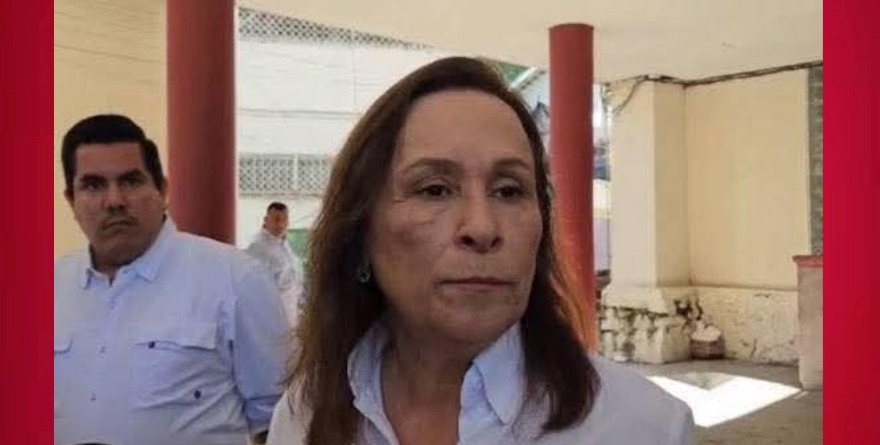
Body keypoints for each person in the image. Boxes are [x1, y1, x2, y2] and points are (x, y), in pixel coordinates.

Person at [266, 56, 693, 445]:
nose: (482, 228)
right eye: (434, 189)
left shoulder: (643, 426)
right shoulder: (305, 416)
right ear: (360, 232)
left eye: (509, 190)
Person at [54, 114, 289, 445]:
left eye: (130, 181)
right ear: (71, 200)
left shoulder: (235, 279)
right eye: (93, 186)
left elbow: (279, 421)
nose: (115, 201)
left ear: (162, 190)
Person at [246, 202, 306, 325]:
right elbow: (253, 287)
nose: (281, 224)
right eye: (276, 219)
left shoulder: (284, 244)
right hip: (270, 317)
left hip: (290, 313)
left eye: (284, 220)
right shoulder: (258, 248)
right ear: (266, 220)